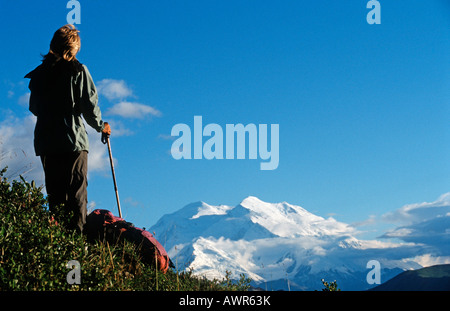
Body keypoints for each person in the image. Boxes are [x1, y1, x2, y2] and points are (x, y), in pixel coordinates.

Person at [25, 24, 111, 233]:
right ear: (71, 50)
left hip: (46, 141)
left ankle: (59, 243)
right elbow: (89, 106)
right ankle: (77, 246)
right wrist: (102, 126)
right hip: (73, 141)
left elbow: (34, 108)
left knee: (55, 195)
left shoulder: (39, 75)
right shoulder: (78, 71)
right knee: (76, 194)